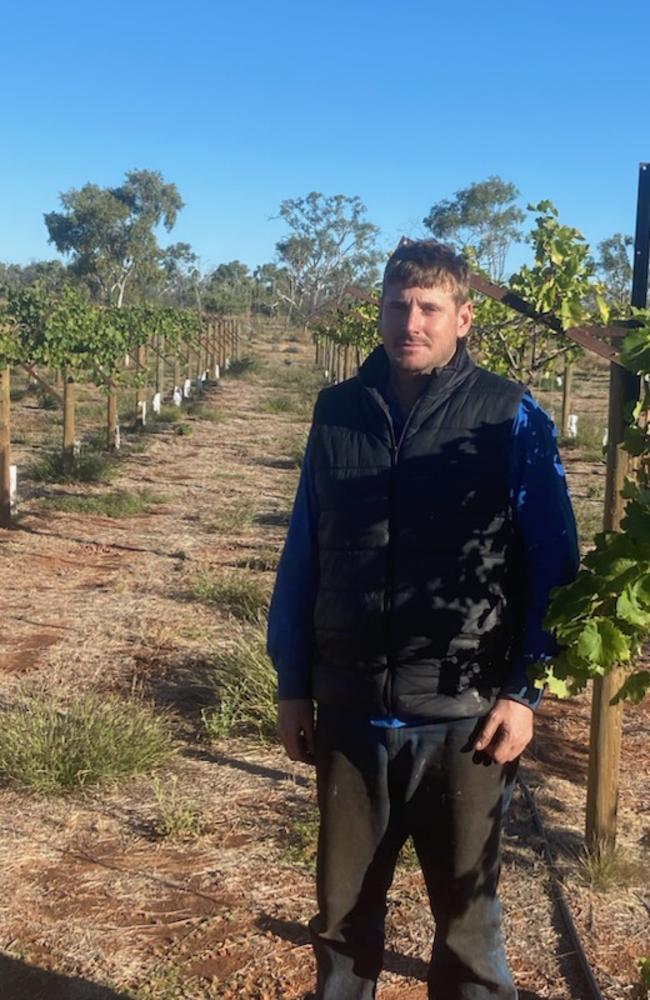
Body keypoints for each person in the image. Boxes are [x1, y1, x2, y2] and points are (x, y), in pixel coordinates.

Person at [267, 240, 579, 1000]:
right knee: (341, 924)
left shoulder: (510, 415)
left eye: (430, 308)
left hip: (466, 719)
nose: (412, 321)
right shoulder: (337, 412)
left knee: (469, 936)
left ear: (463, 317)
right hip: (350, 711)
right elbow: (304, 553)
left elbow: (554, 565)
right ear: (378, 310)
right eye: (398, 305)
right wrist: (292, 683)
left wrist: (524, 692)